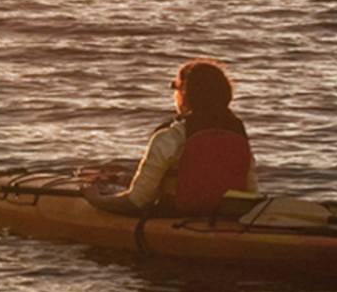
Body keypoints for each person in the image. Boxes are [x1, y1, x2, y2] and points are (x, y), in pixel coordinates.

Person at [85, 58, 257, 216]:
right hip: (227, 217)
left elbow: (136, 201)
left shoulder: (169, 138)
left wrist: (94, 198)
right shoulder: (238, 133)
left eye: (176, 87)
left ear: (185, 93)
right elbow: (251, 192)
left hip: (176, 217)